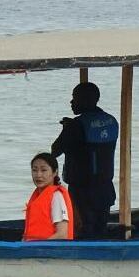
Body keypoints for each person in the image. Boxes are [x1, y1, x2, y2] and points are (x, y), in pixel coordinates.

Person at [51, 82, 118, 239]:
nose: (71, 102)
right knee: (100, 230)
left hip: (82, 191)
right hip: (105, 188)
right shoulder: (111, 121)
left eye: (75, 98)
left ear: (85, 99)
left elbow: (55, 150)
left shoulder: (76, 126)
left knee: (82, 231)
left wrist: (67, 128)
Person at [23, 152, 74, 241]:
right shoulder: (38, 196)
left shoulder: (56, 196)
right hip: (34, 250)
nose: (38, 175)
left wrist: (37, 248)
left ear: (55, 172)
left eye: (44, 170)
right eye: (34, 170)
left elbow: (62, 234)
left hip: (49, 252)